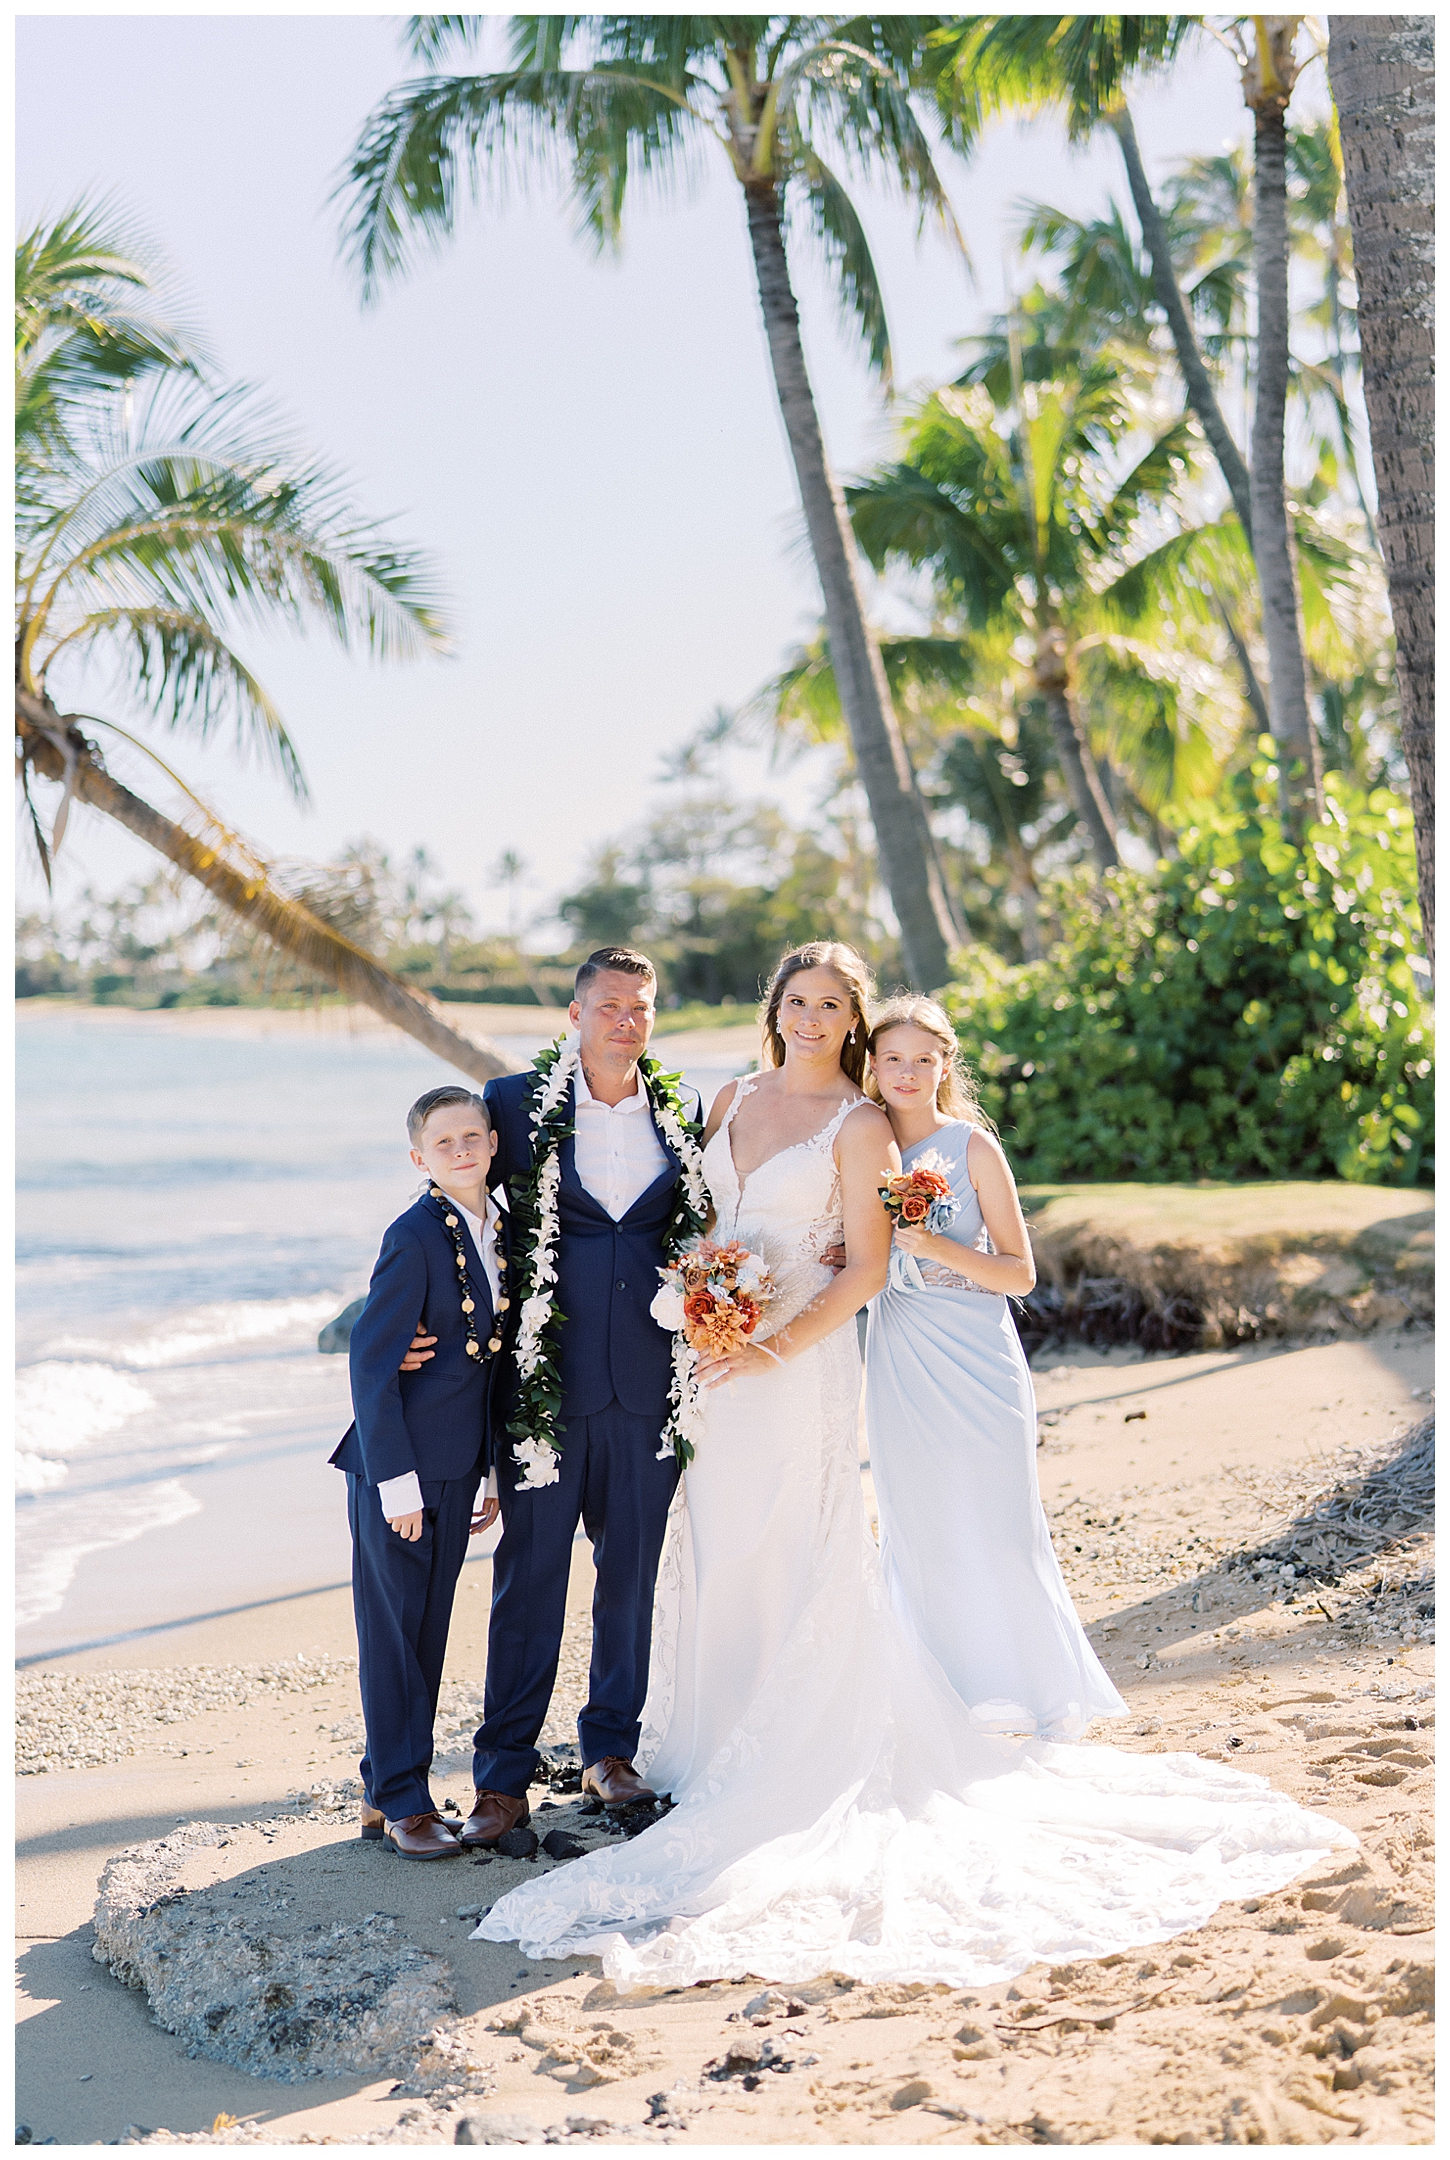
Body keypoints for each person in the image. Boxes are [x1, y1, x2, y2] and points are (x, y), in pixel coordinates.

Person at [472, 939, 1352, 1988]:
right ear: (775, 1008)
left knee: (792, 1537)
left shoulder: (859, 1127)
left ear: (854, 1018)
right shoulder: (724, 1100)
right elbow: (698, 1222)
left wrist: (769, 1346)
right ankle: (703, 1744)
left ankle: (781, 1750)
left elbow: (866, 1271)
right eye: (796, 999)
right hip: (710, 1368)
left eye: (832, 1004)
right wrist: (702, 1307)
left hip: (795, 1367)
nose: (811, 1017)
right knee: (715, 1539)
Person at [442, 947, 704, 1848]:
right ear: (574, 1013)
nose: (626, 1021)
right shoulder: (512, 1104)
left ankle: (609, 1753)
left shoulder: (683, 1110)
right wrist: (426, 1315)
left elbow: (707, 1224)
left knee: (629, 1580)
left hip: (648, 1387)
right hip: (542, 1397)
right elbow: (457, 1201)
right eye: (609, 1006)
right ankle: (502, 1778)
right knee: (529, 1584)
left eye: (641, 1008)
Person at [864, 994, 1127, 1738]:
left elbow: (1020, 1274)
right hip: (901, 1350)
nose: (908, 1072)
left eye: (923, 1058)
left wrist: (935, 1245)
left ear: (945, 1065)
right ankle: (951, 1693)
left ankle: (1043, 1690)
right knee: (920, 1519)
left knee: (1002, 1519)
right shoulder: (863, 1143)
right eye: (893, 1059)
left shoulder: (972, 1147)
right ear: (873, 1066)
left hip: (977, 1352)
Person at [331, 1087, 512, 1859]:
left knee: (426, 1633)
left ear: (494, 1144)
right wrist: (398, 1487)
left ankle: (385, 1786)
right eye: (445, 1143)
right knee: (393, 1636)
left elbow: (498, 1362)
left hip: (457, 1464)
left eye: (473, 1136)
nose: (462, 1150)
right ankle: (404, 1800)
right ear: (420, 1159)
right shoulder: (413, 1234)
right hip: (394, 1471)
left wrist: (493, 1470)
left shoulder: (501, 1229)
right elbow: (371, 1363)